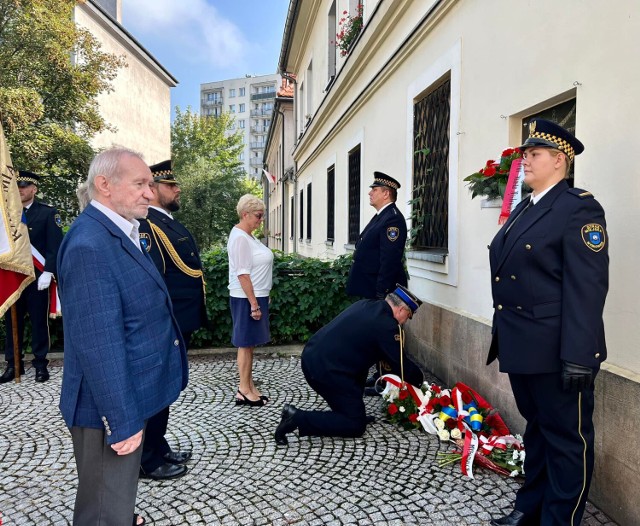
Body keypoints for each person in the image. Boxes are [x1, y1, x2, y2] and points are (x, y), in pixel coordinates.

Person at [486, 119, 609, 526]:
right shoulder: (527, 206)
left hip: (558, 351)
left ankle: (561, 520)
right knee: (537, 430)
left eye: (533, 154)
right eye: (524, 154)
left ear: (559, 160)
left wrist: (580, 355)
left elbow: (587, 288)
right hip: (523, 346)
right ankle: (530, 507)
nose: (525, 160)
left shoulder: (578, 208)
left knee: (567, 441)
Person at [57, 148, 189, 525]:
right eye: (141, 184)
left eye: (150, 184)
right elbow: (99, 342)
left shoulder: (117, 230)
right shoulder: (89, 245)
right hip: (106, 408)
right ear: (105, 185)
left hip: (127, 394)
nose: (150, 192)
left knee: (114, 498)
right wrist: (121, 420)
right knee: (103, 510)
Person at [274, 284, 424, 445]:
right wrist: (420, 382)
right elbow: (399, 363)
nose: (405, 321)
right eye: (408, 316)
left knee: (361, 368)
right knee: (355, 425)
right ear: (401, 310)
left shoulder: (367, 304)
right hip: (326, 370)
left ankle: (351, 410)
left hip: (316, 357)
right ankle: (296, 418)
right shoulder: (386, 325)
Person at [137, 160, 206, 480]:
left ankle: (158, 444)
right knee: (157, 390)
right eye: (170, 185)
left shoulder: (166, 222)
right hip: (168, 322)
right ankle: (147, 459)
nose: (178, 189)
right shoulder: (147, 226)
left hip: (181, 319)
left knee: (167, 389)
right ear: (152, 190)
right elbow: (153, 283)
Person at [1, 170, 63, 383]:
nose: (20, 190)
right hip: (14, 276)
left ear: (34, 189)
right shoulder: (7, 214)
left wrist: (48, 271)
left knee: (39, 322)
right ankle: (13, 365)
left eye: (25, 186)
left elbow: (55, 246)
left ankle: (40, 364)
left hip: (38, 278)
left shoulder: (47, 213)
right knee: (12, 322)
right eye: (17, 187)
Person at [227, 194, 274, 407]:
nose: (260, 220)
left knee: (250, 344)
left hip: (255, 296)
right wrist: (254, 303)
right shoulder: (239, 238)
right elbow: (243, 274)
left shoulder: (248, 236)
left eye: (262, 216)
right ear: (245, 214)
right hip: (246, 299)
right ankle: (243, 390)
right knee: (245, 344)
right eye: (258, 216)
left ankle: (249, 385)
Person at [346, 171, 408, 300]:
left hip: (380, 292)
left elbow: (389, 259)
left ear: (386, 193)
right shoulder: (383, 215)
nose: (370, 193)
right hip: (370, 288)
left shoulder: (392, 219)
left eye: (374, 190)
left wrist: (382, 291)